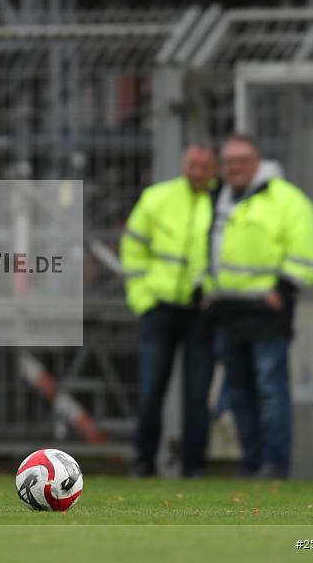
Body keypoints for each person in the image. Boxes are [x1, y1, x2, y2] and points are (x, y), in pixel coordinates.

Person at [205, 134, 313, 479]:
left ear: (258, 161)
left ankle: (274, 464)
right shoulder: (220, 198)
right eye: (228, 162)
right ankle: (252, 462)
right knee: (239, 392)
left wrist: (283, 290)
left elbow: (304, 251)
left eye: (241, 160)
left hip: (268, 309)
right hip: (228, 309)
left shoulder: (287, 199)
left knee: (271, 389)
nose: (234, 167)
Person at [120, 143, 217, 477]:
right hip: (159, 307)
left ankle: (194, 466)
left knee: (197, 394)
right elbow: (132, 246)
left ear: (213, 169)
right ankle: (143, 460)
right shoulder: (157, 198)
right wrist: (142, 299)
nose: (197, 171)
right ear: (183, 164)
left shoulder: (222, 203)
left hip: (201, 311)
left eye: (204, 166)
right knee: (150, 390)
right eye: (192, 164)